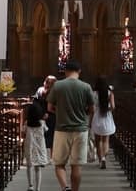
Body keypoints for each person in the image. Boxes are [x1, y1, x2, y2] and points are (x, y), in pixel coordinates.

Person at [47, 60, 94, 191]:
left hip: (62, 129)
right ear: (79, 71)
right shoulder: (86, 87)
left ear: (66, 71)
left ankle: (64, 187)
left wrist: (61, 111)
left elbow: (49, 107)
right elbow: (92, 109)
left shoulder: (58, 86)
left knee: (59, 164)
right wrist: (84, 115)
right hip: (80, 130)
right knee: (76, 166)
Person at [90, 76, 116, 169]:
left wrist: (90, 121)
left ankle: (100, 159)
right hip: (106, 116)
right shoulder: (110, 93)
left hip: (97, 117)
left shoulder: (93, 94)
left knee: (98, 140)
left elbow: (92, 109)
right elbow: (113, 107)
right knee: (106, 139)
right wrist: (107, 109)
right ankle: (104, 157)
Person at [24, 100, 48, 191]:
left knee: (29, 166)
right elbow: (46, 130)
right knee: (38, 168)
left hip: (30, 147)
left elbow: (23, 131)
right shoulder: (42, 123)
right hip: (39, 147)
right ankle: (38, 188)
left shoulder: (27, 123)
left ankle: (30, 185)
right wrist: (44, 119)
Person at [35, 75, 57, 158]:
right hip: (52, 115)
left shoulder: (40, 90)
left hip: (42, 115)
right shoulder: (55, 91)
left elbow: (36, 103)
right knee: (52, 136)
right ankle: (51, 156)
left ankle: (43, 156)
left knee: (43, 135)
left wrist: (41, 114)